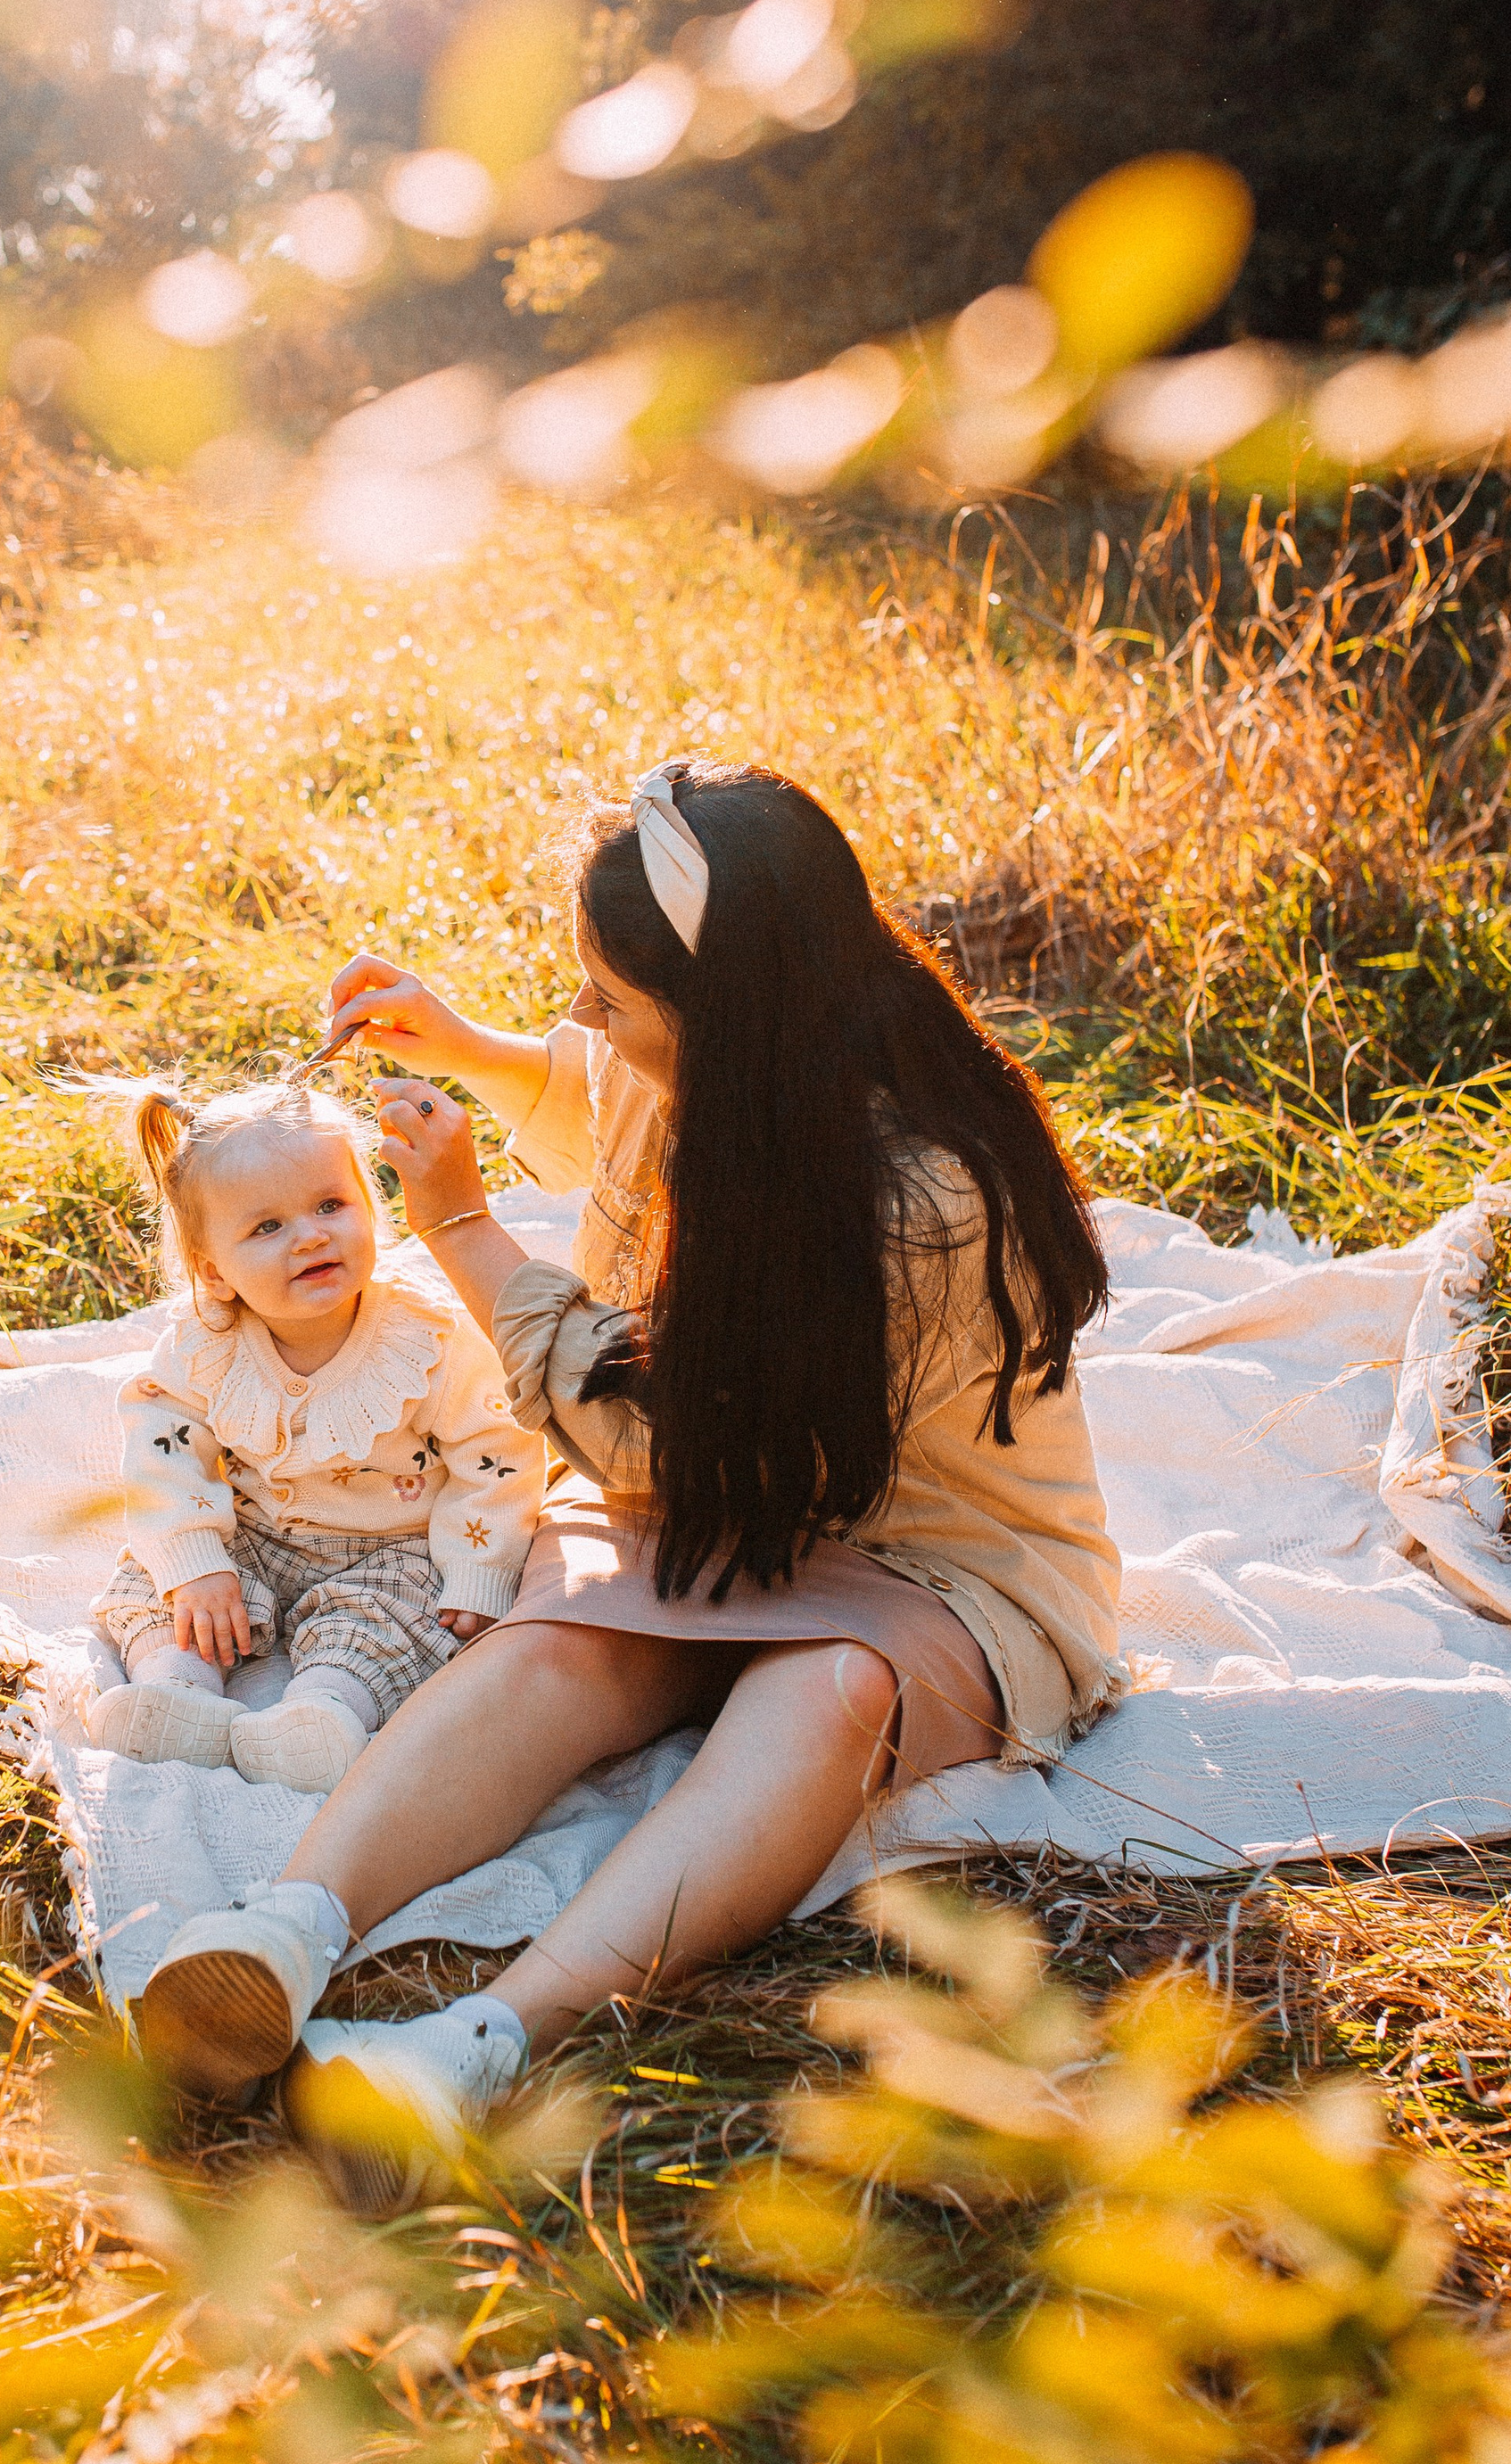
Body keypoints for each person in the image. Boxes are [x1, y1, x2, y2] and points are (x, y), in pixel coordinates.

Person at [134, 763, 1124, 2183]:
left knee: (823, 1691)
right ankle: (284, 1930)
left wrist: (468, 1232)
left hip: (933, 1556)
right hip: (711, 1502)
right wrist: (466, 1044)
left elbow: (685, 1449)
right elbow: (594, 1097)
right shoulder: (736, 1064)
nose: (584, 1021)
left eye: (609, 996)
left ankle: (482, 2038)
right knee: (569, 1643)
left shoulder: (921, 1204)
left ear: (726, 1013)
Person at [87, 1077, 541, 1794]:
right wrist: (196, 1560)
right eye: (267, 1228)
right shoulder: (203, 1345)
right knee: (159, 1576)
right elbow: (163, 1448)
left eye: (332, 1205)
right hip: (252, 1530)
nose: (311, 1236)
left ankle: (325, 1712)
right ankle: (175, 1690)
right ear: (215, 1271)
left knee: (400, 1619)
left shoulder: (425, 1338)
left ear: (371, 1210)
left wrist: (478, 1567)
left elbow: (497, 1451)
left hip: (390, 1548)